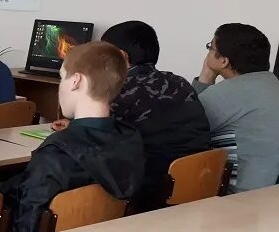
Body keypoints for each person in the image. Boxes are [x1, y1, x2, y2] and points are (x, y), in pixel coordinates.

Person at [4, 41, 145, 232]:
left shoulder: (55, 154)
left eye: (62, 78)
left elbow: (26, 231)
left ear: (76, 81)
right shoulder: (131, 140)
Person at [64, 21, 209, 207]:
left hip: (142, 193)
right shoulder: (180, 83)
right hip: (196, 186)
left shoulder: (118, 90)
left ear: (122, 57)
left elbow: (87, 140)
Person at [193, 23, 279, 192]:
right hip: (271, 192)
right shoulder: (271, 83)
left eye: (210, 47)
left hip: (242, 197)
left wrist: (206, 74)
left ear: (224, 60)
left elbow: (191, 123)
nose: (207, 53)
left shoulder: (227, 93)